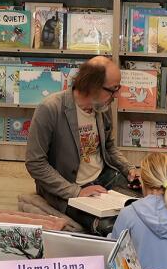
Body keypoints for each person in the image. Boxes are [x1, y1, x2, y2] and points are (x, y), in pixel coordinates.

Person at [25, 56, 139, 232]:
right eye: (113, 89)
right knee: (108, 227)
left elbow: (109, 147)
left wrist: (129, 169)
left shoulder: (102, 107)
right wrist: (76, 192)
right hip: (69, 184)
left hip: (103, 177)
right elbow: (35, 163)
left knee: (151, 201)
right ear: (92, 86)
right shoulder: (50, 109)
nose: (116, 95)